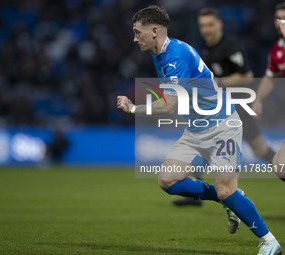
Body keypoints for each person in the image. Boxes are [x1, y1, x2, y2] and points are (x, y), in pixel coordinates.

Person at [117, 5, 281, 254]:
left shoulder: (175, 56)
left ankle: (269, 241)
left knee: (227, 189)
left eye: (137, 32)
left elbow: (170, 106)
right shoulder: (158, 51)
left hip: (223, 125)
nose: (134, 38)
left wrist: (133, 109)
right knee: (168, 180)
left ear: (153, 31)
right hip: (196, 129)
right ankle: (230, 200)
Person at [173, 8, 276, 206]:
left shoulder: (230, 47)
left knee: (260, 150)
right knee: (204, 147)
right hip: (217, 111)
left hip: (238, 109)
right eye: (202, 26)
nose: (206, 29)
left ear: (219, 25)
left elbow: (246, 76)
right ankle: (194, 194)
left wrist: (217, 82)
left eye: (210, 24)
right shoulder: (202, 49)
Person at [252, 2, 285, 182]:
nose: (281, 22)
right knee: (281, 166)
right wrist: (258, 99)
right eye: (278, 18)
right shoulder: (277, 50)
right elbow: (270, 77)